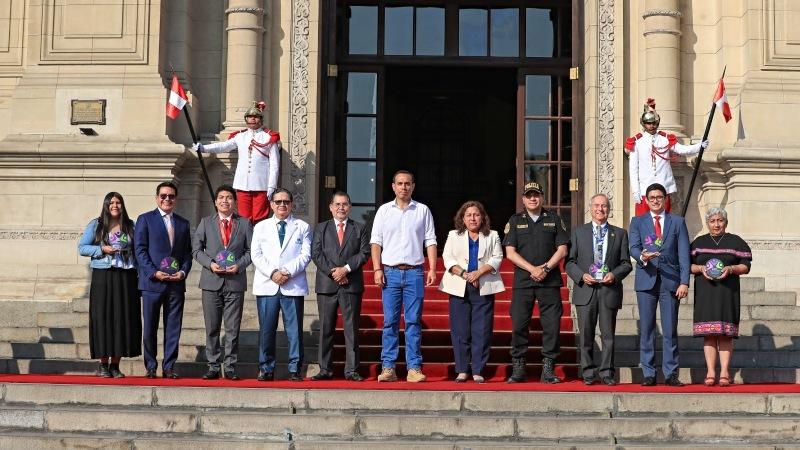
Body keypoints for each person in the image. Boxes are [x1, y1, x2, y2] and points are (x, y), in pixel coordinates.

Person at [370, 170, 437, 383]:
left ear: (413, 186)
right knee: (389, 322)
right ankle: (388, 367)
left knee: (413, 322)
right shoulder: (383, 211)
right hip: (389, 271)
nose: (404, 187)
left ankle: (414, 368)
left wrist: (433, 268)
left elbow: (431, 241)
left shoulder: (423, 210)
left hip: (415, 272)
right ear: (393, 186)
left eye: (407, 183)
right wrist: (377, 268)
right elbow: (376, 242)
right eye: (400, 183)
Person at [503, 181, 569, 384]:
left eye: (536, 195)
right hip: (524, 282)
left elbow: (562, 249)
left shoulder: (554, 219)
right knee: (519, 324)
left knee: (552, 326)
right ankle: (519, 366)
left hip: (549, 281)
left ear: (542, 197)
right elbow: (510, 253)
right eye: (529, 195)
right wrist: (533, 269)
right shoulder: (515, 221)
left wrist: (546, 268)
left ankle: (548, 368)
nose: (533, 198)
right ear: (523, 199)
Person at [565, 193, 632, 386]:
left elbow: (626, 263)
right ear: (590, 208)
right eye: (596, 205)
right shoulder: (578, 232)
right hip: (586, 289)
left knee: (608, 336)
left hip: (608, 290)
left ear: (609, 210)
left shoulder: (619, 234)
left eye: (604, 206)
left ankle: (607, 373)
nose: (600, 209)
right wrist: (581, 275)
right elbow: (569, 262)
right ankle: (587, 372)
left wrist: (614, 274)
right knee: (586, 335)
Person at [629, 182, 690, 387]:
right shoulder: (637, 221)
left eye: (659, 197)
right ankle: (648, 373)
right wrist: (642, 256)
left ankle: (671, 373)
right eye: (652, 197)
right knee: (647, 329)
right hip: (646, 280)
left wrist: (684, 281)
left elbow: (684, 254)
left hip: (670, 282)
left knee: (670, 329)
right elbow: (634, 247)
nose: (655, 200)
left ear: (665, 199)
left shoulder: (677, 222)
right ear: (646, 200)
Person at [191, 185, 253, 381]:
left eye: (229, 198)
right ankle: (213, 366)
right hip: (211, 282)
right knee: (212, 327)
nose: (225, 201)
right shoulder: (206, 222)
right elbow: (196, 250)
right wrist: (210, 264)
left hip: (234, 282)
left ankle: (231, 366)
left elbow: (251, 251)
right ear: (215, 202)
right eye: (221, 197)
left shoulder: (244, 224)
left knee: (233, 328)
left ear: (234, 202)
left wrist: (239, 266)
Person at [439, 200, 505, 384]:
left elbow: (497, 257)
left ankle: (478, 369)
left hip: (483, 287)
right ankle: (461, 370)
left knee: (482, 330)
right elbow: (447, 258)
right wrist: (465, 274)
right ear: (462, 218)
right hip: (459, 286)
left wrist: (478, 273)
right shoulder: (454, 235)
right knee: (460, 330)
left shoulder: (493, 235)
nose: (472, 218)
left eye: (476, 214)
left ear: (482, 217)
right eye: (468, 215)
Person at [77, 192, 142, 378]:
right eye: (111, 202)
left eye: (118, 202)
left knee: (122, 319)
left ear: (123, 205)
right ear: (106, 205)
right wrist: (101, 249)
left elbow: (139, 248)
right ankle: (103, 364)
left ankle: (115, 365)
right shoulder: (96, 224)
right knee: (103, 318)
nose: (115, 205)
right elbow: (82, 247)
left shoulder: (132, 225)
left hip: (126, 276)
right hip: (103, 275)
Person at [251, 188, 311, 381]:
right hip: (268, 284)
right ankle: (266, 368)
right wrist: (273, 273)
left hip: (292, 284)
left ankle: (295, 369)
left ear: (292, 204)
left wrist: (286, 272)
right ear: (271, 204)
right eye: (278, 202)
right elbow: (256, 255)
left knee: (294, 331)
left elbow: (305, 255)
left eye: (286, 201)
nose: (282, 205)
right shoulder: (261, 227)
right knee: (267, 329)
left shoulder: (302, 226)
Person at [134, 182, 192, 379]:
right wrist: (153, 272)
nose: (167, 199)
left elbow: (187, 254)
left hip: (175, 284)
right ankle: (150, 366)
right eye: (164, 196)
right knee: (149, 326)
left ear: (176, 199)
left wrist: (183, 272)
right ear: (157, 197)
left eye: (171, 196)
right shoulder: (145, 219)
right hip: (152, 283)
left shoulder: (183, 223)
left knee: (173, 327)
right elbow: (140, 250)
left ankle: (169, 366)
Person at [310, 191, 370, 381]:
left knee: (351, 329)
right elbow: (317, 254)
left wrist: (345, 269)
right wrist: (334, 273)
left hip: (351, 284)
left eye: (344, 204)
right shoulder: (321, 228)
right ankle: (325, 369)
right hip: (327, 285)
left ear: (350, 207)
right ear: (330, 207)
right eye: (337, 204)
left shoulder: (359, 228)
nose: (341, 208)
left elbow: (364, 253)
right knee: (326, 329)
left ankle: (351, 370)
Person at [690, 207, 752, 387]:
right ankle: (710, 371)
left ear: (726, 222)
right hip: (705, 293)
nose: (716, 224)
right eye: (712, 221)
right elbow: (688, 266)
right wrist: (701, 268)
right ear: (707, 223)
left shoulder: (736, 241)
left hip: (727, 293)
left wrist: (731, 269)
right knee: (709, 335)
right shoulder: (698, 242)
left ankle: (724, 371)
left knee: (725, 335)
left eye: (720, 221)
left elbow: (746, 266)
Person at [194, 101, 280, 224]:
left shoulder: (269, 137)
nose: (252, 119)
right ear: (246, 119)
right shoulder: (240, 136)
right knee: (243, 218)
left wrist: (271, 186)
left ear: (260, 119)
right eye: (250, 117)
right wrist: (203, 148)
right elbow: (223, 146)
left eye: (255, 117)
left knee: (260, 218)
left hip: (262, 184)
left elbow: (275, 165)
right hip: (243, 183)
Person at [625, 98, 709, 215]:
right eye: (649, 123)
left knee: (665, 223)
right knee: (643, 224)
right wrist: (635, 191)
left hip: (663, 188)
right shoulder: (636, 142)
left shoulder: (665, 138)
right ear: (643, 124)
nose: (652, 125)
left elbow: (681, 149)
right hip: (644, 189)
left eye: (654, 123)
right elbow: (633, 169)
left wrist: (699, 146)